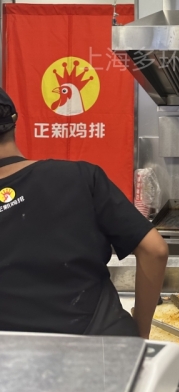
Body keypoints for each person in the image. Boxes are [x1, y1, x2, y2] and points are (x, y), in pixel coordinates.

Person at [0, 87, 168, 338]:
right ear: (14, 121)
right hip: (102, 347)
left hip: (11, 357)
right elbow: (155, 250)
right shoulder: (79, 176)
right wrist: (140, 334)